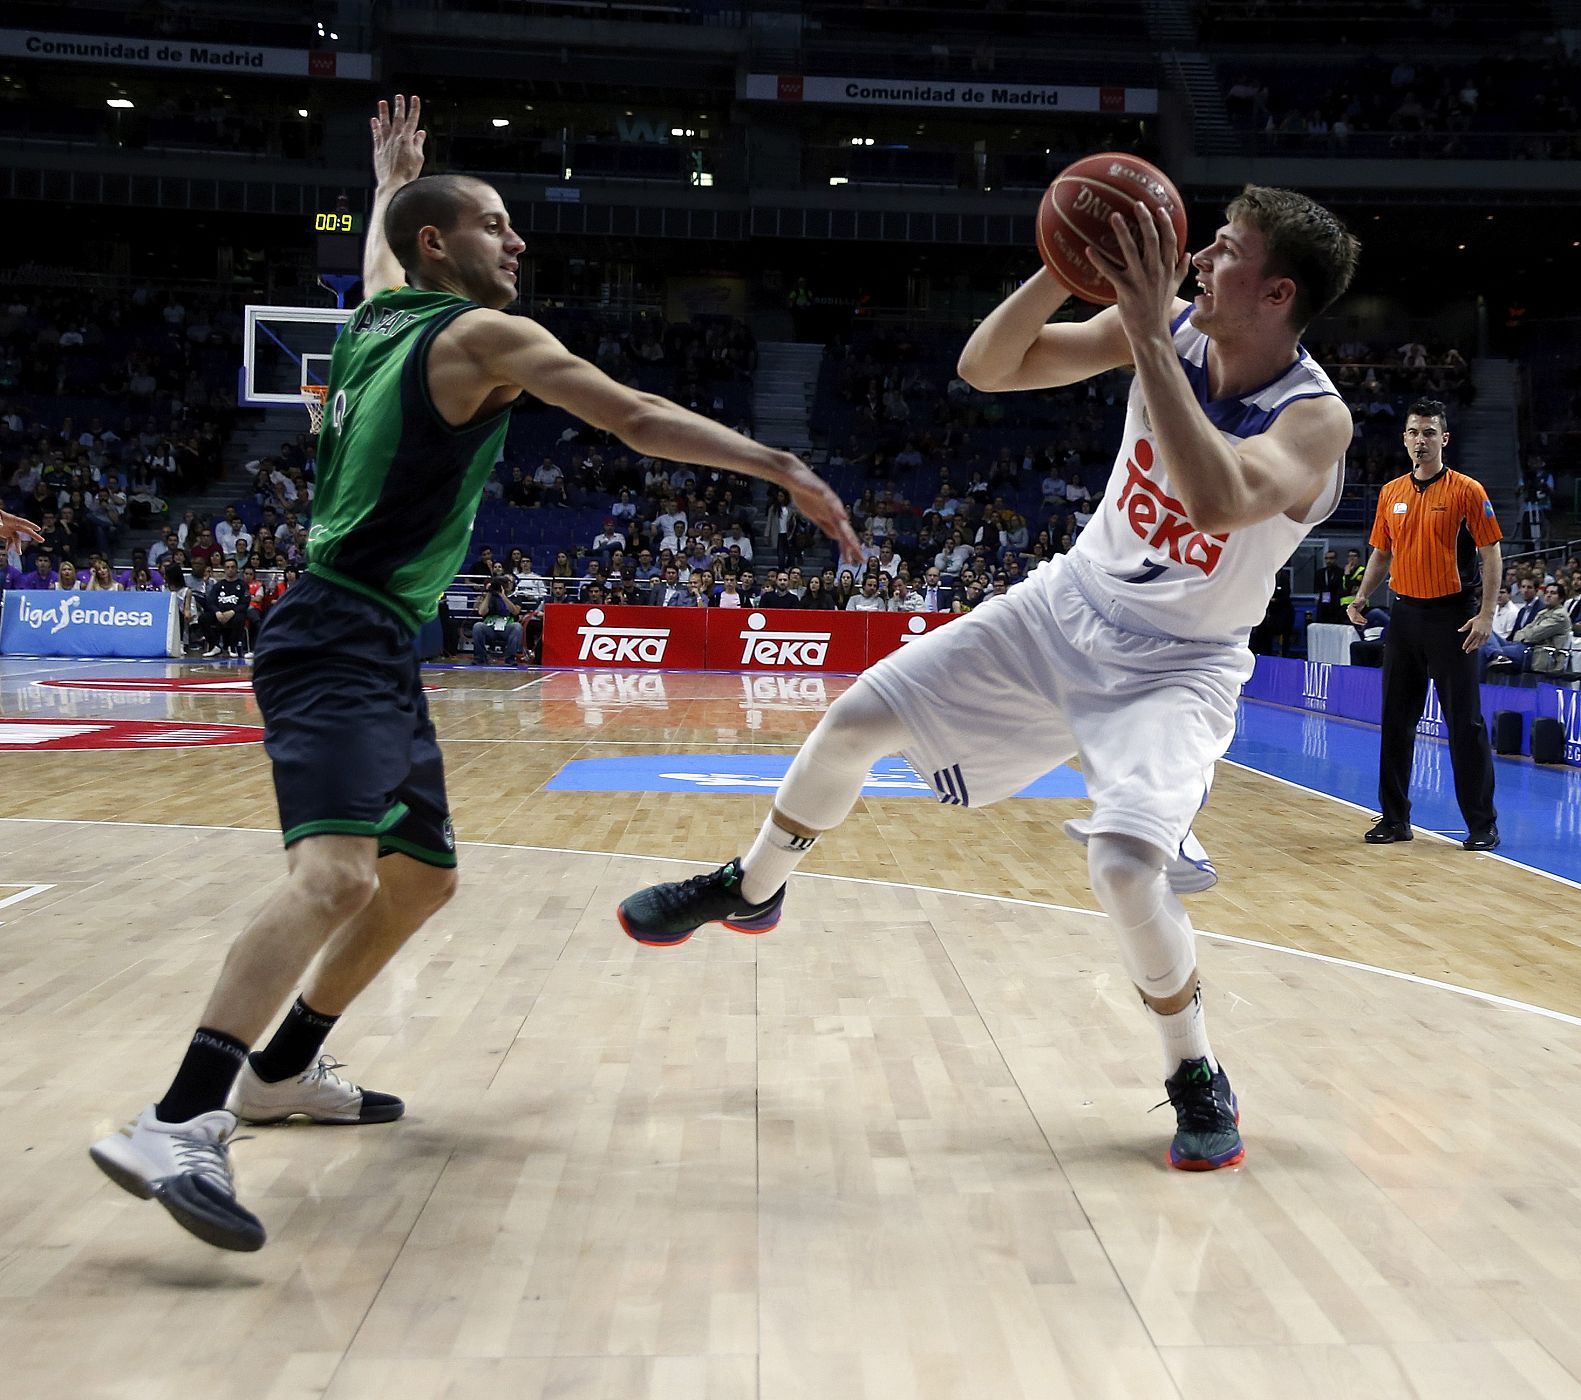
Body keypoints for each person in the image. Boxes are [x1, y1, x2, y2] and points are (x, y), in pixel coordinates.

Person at [90, 92, 860, 1253]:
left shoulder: (376, 320)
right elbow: (636, 416)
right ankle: (180, 1115)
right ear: (442, 246)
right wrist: (776, 460)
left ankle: (283, 1070)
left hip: (371, 639)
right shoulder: (481, 336)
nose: (520, 240)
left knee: (419, 880)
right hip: (339, 630)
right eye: (497, 223)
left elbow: (383, 258)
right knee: (336, 878)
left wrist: (395, 183)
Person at [619, 183, 1360, 1173]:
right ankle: (752, 887)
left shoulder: (1316, 422)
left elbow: (1216, 499)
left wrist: (1142, 333)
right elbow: (987, 365)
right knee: (853, 720)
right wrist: (1064, 268)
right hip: (1067, 608)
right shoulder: (1167, 324)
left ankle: (1194, 1070)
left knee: (1127, 866)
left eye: (1223, 250)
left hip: (1177, 668)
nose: (1196, 260)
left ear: (1275, 294)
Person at [1347, 399, 1502, 850]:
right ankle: (1395, 820)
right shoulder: (1390, 492)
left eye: (1430, 432)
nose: (1421, 440)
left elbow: (1491, 551)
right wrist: (1361, 596)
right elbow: (1380, 553)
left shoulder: (1467, 490)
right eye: (1414, 432)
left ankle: (1481, 824)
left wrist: (1486, 614)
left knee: (1464, 723)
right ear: (1404, 439)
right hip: (1404, 617)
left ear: (1444, 438)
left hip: (1453, 619)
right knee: (1396, 721)